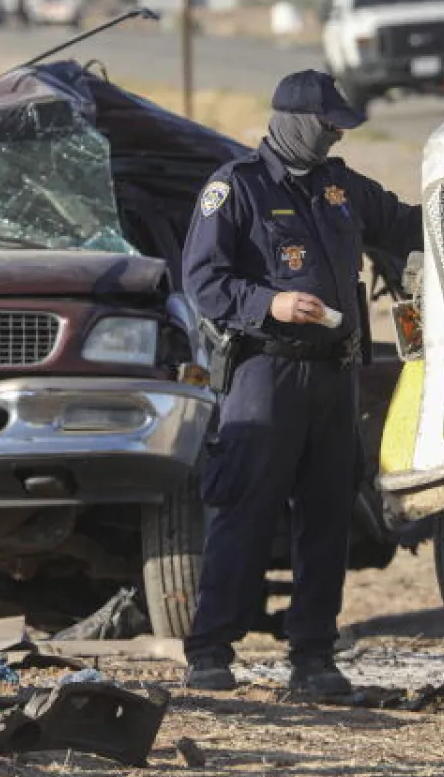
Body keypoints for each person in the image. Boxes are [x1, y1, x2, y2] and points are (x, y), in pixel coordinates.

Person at [181, 69, 423, 693]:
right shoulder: (237, 189)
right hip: (267, 372)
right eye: (328, 125)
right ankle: (212, 652)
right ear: (294, 121)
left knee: (327, 515)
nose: (337, 134)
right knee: (246, 510)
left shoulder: (342, 188)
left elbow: (407, 225)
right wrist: (270, 305)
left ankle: (312, 657)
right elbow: (203, 281)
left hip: (334, 377)